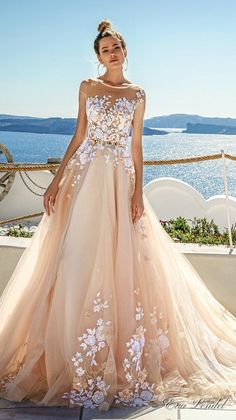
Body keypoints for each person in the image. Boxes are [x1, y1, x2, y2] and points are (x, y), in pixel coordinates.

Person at [0, 19, 236, 413]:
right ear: (98, 57)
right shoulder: (87, 87)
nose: (112, 53)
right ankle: (67, 350)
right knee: (73, 259)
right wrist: (57, 181)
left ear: (125, 52)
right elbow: (77, 136)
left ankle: (111, 352)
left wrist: (137, 190)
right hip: (85, 177)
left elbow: (137, 145)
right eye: (105, 49)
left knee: (119, 261)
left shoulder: (138, 94)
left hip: (118, 178)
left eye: (116, 48)